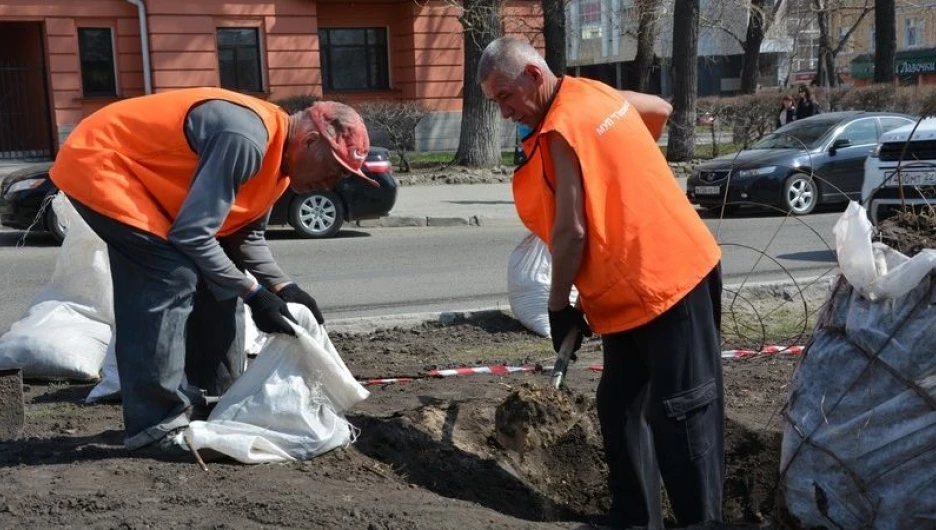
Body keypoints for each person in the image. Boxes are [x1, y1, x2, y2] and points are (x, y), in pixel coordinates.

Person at [479, 37, 724, 529]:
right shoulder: (593, 94)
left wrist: (557, 305)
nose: (504, 112)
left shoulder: (562, 128)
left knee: (682, 410)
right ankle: (637, 518)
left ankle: (703, 521)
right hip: (623, 293)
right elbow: (658, 108)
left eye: (505, 96)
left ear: (532, 75)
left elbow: (570, 232)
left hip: (669, 279)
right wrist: (618, 160)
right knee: (619, 405)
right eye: (495, 102)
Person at [49, 88, 373, 458]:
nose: (331, 184)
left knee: (217, 280)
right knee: (170, 277)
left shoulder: (279, 166)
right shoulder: (246, 139)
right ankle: (154, 427)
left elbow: (243, 235)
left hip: (144, 182)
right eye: (333, 169)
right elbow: (192, 234)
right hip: (101, 163)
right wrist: (253, 293)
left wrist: (283, 287)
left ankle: (218, 401)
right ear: (312, 141)